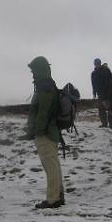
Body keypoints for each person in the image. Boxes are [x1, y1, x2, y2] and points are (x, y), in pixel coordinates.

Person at [26, 56, 64, 209]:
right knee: (53, 165)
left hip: (46, 134)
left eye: (34, 70)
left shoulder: (45, 87)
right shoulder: (47, 85)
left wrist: (37, 131)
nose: (32, 74)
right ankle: (58, 196)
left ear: (39, 70)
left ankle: (53, 199)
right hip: (49, 132)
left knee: (50, 166)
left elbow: (43, 112)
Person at [91, 58, 112, 127]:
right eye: (96, 63)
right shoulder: (93, 73)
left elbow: (110, 81)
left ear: (100, 63)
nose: (97, 64)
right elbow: (93, 84)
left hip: (108, 93)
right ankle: (104, 124)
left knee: (109, 108)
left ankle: (111, 124)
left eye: (98, 63)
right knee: (101, 109)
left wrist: (108, 92)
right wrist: (94, 93)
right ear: (94, 64)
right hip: (100, 94)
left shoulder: (106, 70)